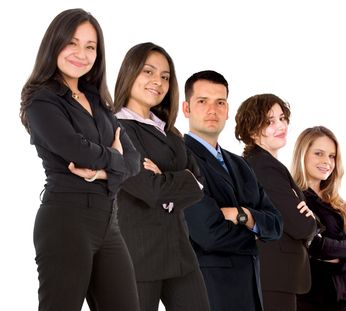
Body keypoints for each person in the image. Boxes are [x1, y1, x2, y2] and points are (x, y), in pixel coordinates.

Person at [19, 8, 141, 311]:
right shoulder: (41, 100)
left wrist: (101, 173)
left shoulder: (97, 99)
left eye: (90, 46)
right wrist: (115, 159)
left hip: (109, 224)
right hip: (66, 221)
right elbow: (76, 150)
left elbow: (135, 161)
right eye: (72, 43)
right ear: (54, 44)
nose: (81, 54)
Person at [113, 42, 210, 311]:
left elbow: (200, 183)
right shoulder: (115, 128)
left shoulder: (169, 131)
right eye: (149, 72)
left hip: (180, 254)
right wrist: (180, 181)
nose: (158, 82)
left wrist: (168, 181)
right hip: (139, 256)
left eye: (165, 77)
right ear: (130, 73)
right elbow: (149, 188)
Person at [181, 70, 283, 311]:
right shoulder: (181, 160)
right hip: (211, 292)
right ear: (187, 109)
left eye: (220, 103)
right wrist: (256, 230)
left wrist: (241, 215)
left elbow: (277, 224)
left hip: (251, 291)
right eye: (202, 101)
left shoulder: (241, 164)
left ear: (228, 110)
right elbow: (208, 234)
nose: (212, 110)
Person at [235, 93, 320, 311]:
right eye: (270, 121)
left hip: (272, 276)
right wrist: (311, 221)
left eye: (282, 118)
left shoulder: (261, 164)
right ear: (253, 131)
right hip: (274, 276)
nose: (280, 125)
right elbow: (300, 225)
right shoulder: (265, 167)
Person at [292, 126, 346, 311]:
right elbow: (314, 250)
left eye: (331, 156)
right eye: (319, 153)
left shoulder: (338, 204)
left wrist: (335, 256)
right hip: (312, 299)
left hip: (345, 299)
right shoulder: (295, 198)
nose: (327, 162)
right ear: (303, 155)